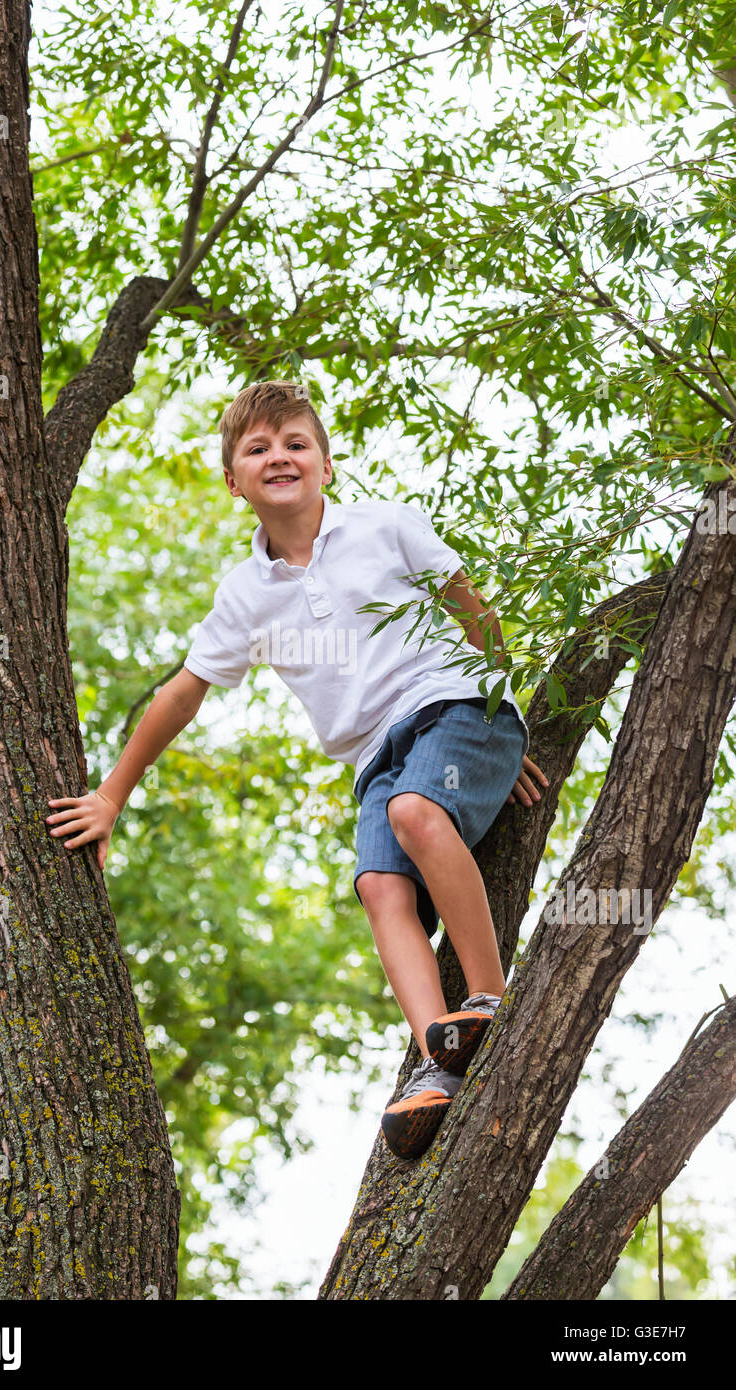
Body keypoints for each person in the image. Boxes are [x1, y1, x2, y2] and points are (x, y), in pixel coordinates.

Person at [46, 380, 548, 1161]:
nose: (278, 455)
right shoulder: (245, 595)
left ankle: (491, 1002)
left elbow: (470, 608)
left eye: (295, 442)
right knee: (381, 888)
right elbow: (182, 695)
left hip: (454, 708)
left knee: (418, 816)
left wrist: (505, 724)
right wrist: (112, 794)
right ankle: (435, 1058)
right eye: (257, 448)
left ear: (326, 463)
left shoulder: (387, 527)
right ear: (231, 478)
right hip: (374, 756)